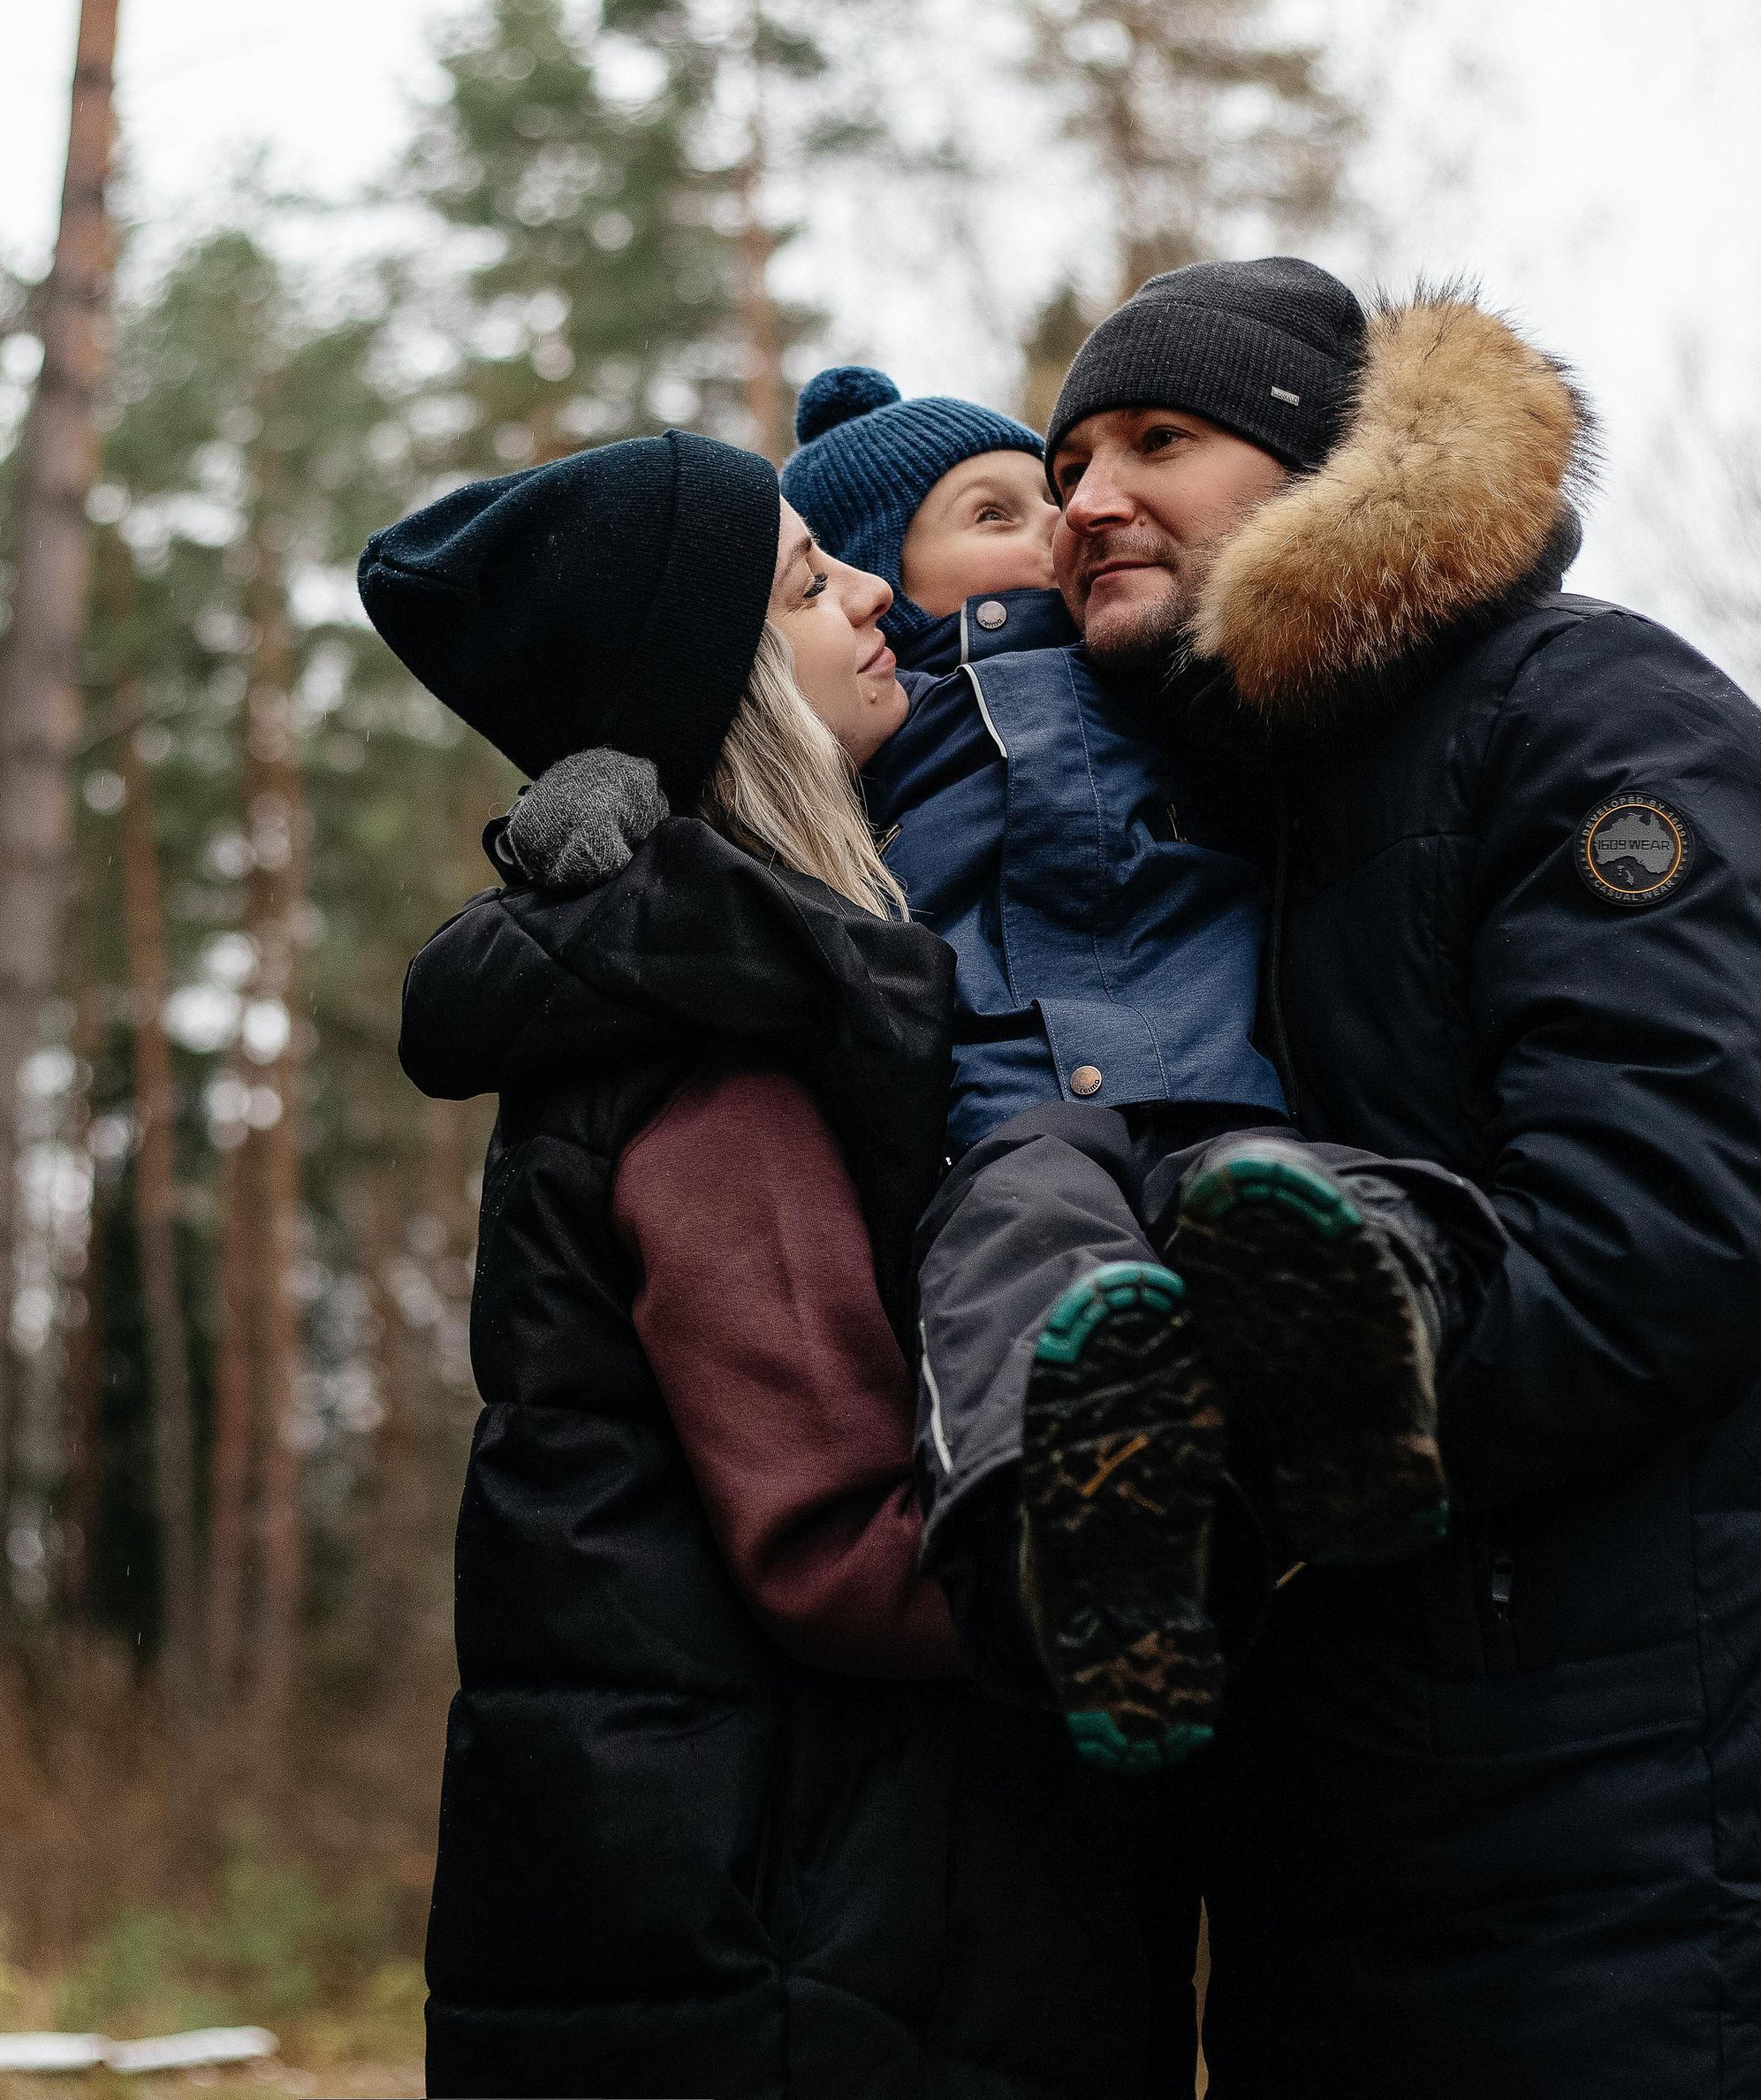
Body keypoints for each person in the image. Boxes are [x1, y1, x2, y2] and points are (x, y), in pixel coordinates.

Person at [359, 431, 1198, 2100]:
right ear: (734, 693)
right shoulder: (719, 1041)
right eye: (814, 586)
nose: (878, 593)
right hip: (781, 1951)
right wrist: (1185, 1571)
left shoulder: (723, 969)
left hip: (778, 1915)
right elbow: (841, 1547)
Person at [510, 369, 1500, 1779]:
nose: (1057, 530)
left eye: (1049, 501)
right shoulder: (878, 720)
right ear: (881, 584)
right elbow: (725, 784)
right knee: (1019, 1263)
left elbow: (1337, 683)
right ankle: (1080, 1553)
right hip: (1014, 1121)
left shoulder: (1164, 672)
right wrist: (602, 792)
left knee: (1310, 1203)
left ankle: (1366, 1401)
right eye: (994, 513)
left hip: (1224, 1085)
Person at [1031, 255, 1761, 2100]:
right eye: (1059, 467)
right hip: (1318, 1842)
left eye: (1153, 441)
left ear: (1320, 470)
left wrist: (1228, 1452)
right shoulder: (1212, 826)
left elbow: (1661, 1229)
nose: (1085, 499)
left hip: (1610, 1829)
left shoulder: (1586, 717)